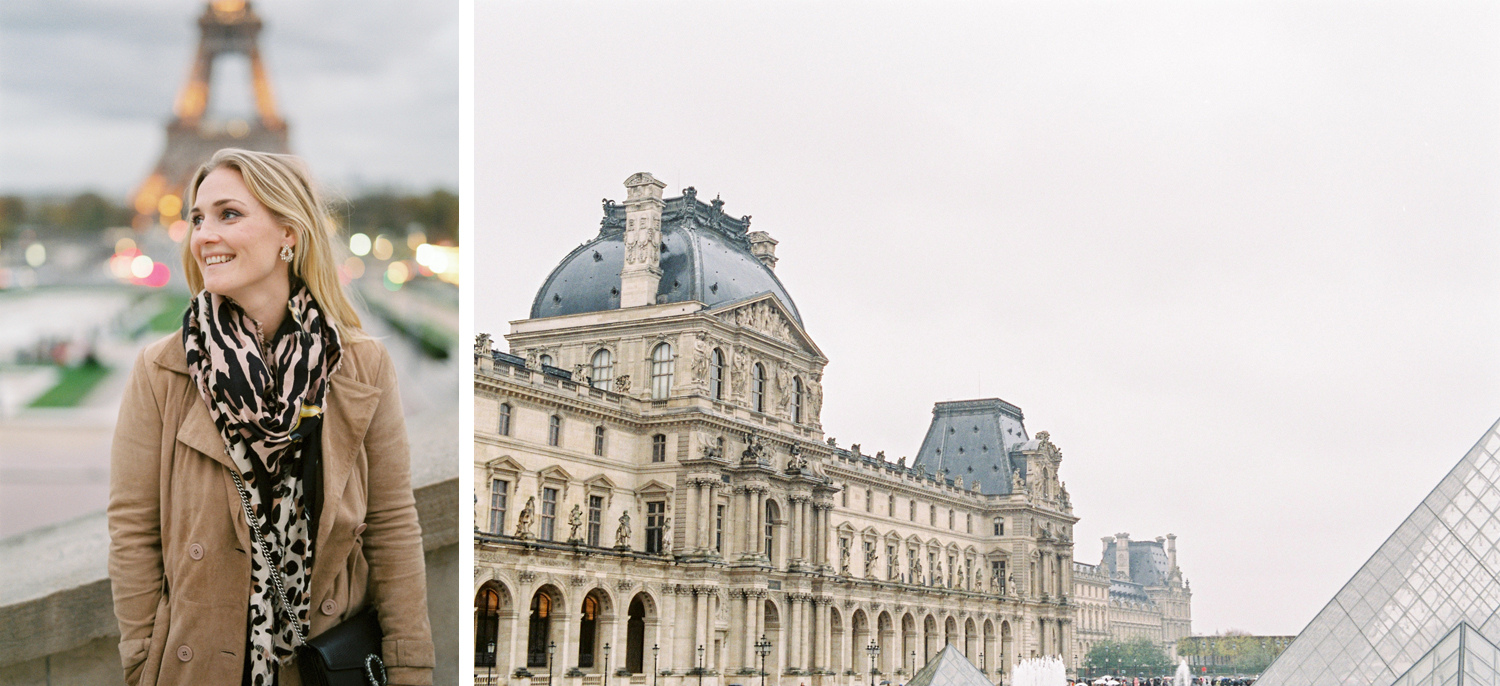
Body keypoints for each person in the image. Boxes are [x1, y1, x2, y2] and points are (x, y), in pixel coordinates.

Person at [108, 149, 434, 685]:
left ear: (290, 232)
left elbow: (393, 527)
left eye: (228, 214)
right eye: (197, 218)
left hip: (320, 665)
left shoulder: (362, 366)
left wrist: (410, 670)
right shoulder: (161, 370)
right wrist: (144, 660)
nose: (204, 234)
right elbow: (132, 531)